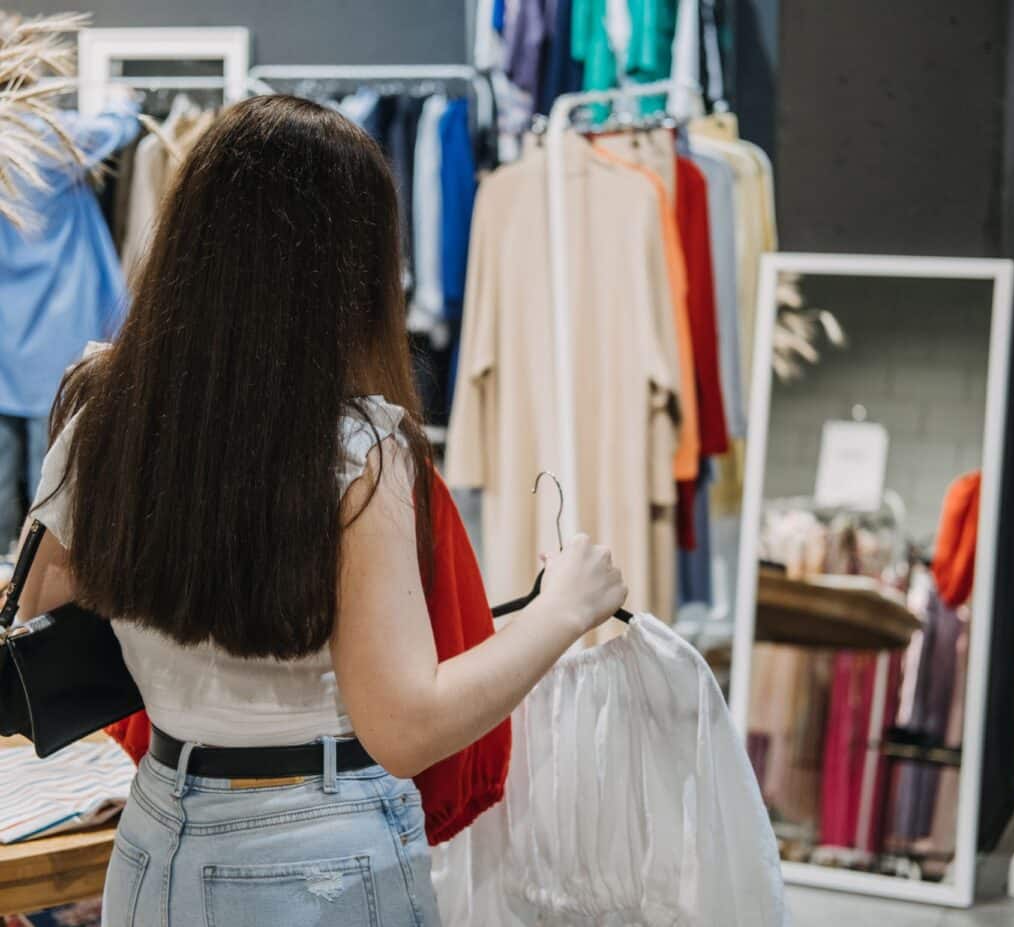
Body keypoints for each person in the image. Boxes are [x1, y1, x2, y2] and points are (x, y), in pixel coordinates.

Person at [14, 95, 627, 927]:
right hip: (317, 852)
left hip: (159, 835)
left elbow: (45, 612)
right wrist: (561, 609)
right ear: (354, 265)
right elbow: (406, 724)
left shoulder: (103, 415)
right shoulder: (356, 448)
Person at [0, 71, 141, 553]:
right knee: (54, 476)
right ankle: (36, 594)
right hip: (55, 325)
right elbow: (118, 128)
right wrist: (122, 100)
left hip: (5, 332)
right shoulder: (51, 137)